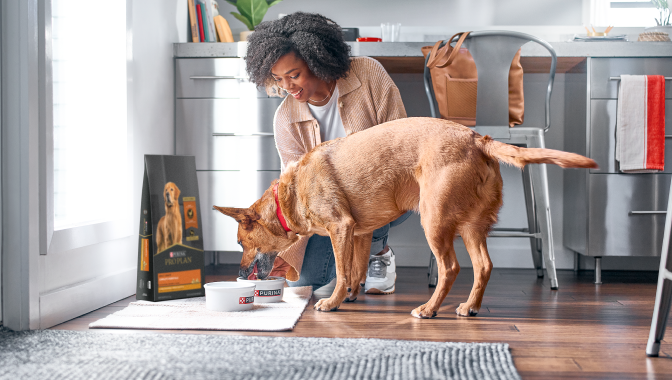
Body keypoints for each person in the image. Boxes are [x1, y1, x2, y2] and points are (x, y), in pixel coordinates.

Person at [244, 12, 411, 296]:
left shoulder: (368, 74)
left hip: (390, 189)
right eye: (278, 78)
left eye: (294, 75)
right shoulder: (285, 118)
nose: (287, 87)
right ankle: (348, 268)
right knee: (305, 283)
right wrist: (288, 252)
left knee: (362, 196)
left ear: (317, 60)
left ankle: (377, 254)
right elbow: (294, 196)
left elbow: (402, 145)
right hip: (330, 210)